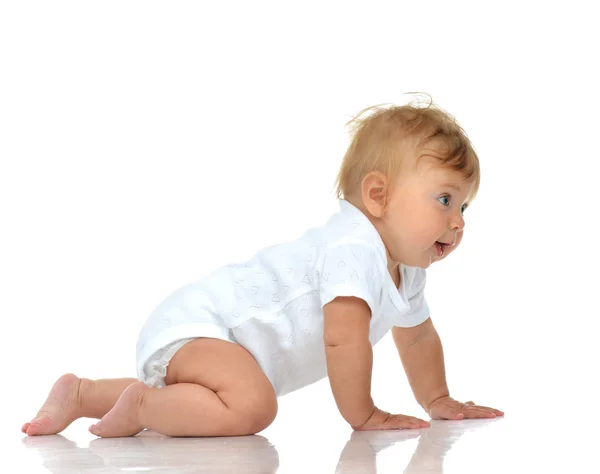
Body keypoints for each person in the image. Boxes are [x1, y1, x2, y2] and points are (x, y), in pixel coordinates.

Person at [22, 95, 504, 439]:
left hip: (217, 343)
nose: (457, 222)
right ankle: (145, 406)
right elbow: (344, 339)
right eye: (445, 200)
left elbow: (417, 337)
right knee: (252, 406)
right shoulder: (353, 250)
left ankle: (83, 394)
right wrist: (364, 415)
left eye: (464, 207)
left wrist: (438, 399)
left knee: (222, 396)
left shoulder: (406, 269)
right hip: (206, 328)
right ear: (377, 196)